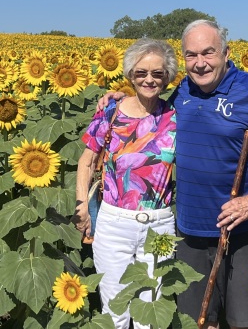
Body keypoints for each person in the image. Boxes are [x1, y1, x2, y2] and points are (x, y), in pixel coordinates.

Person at [98, 20, 248, 329]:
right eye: (191, 55)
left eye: (208, 52)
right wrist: (116, 98)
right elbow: (145, 101)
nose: (200, 63)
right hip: (189, 232)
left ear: (226, 52)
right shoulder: (181, 91)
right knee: (196, 320)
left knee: (241, 320)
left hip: (242, 230)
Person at [74, 39, 178, 329]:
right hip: (114, 224)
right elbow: (86, 161)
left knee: (151, 310)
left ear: (167, 78)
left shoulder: (175, 116)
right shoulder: (110, 111)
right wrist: (82, 206)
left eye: (158, 74)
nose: (149, 79)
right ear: (130, 74)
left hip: (160, 224)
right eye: (141, 72)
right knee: (115, 309)